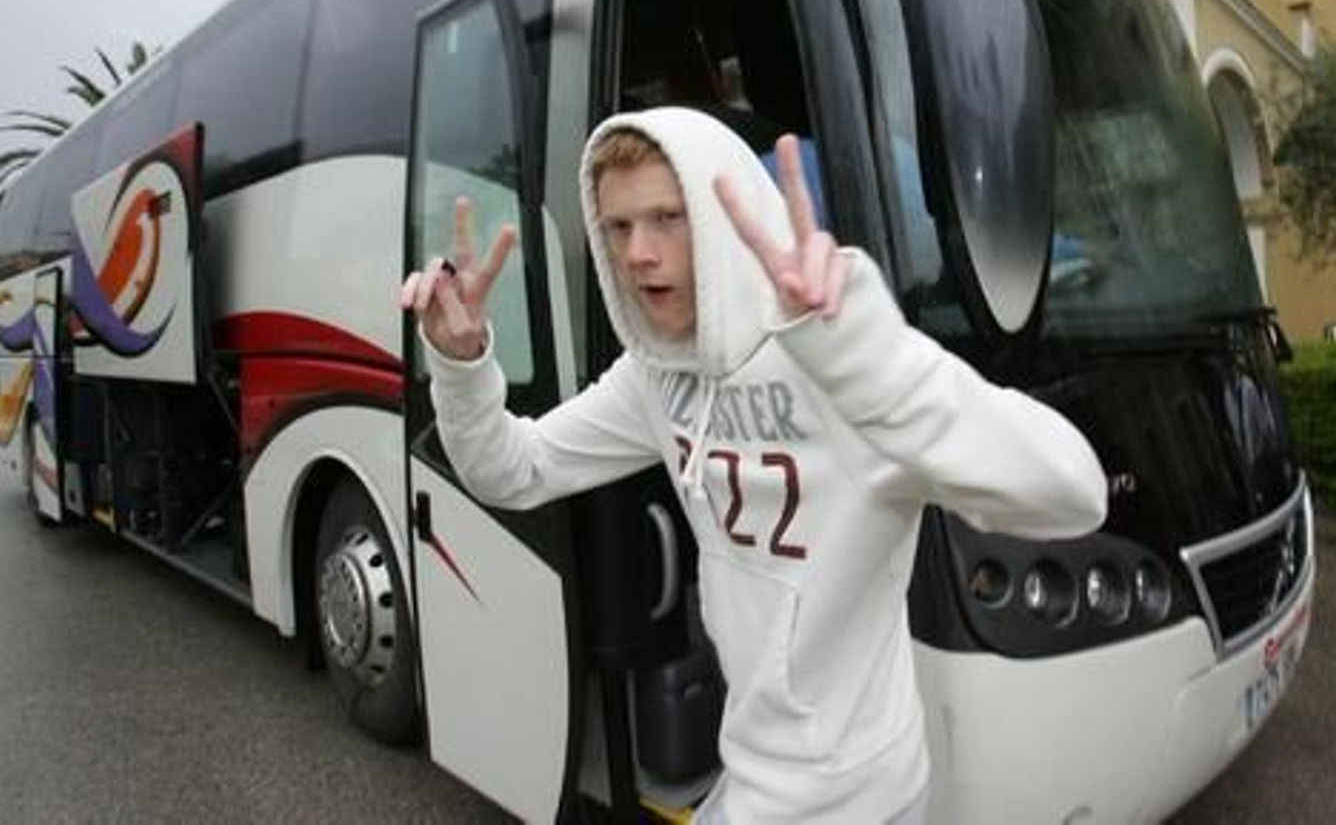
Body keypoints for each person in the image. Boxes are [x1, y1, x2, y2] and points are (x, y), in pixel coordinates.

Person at [398, 107, 1108, 824]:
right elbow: (513, 470)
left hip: (857, 796)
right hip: (751, 777)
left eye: (667, 217)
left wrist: (873, 356)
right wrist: (461, 366)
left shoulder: (842, 366)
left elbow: (1073, 492)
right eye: (617, 226)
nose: (638, 252)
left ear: (719, 219)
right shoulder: (656, 374)